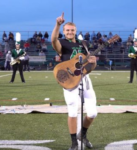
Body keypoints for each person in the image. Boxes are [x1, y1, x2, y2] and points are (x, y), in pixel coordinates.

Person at [51, 13, 97, 150]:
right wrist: (58, 25)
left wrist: (93, 63)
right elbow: (54, 40)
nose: (70, 32)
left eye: (72, 30)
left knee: (93, 113)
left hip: (84, 78)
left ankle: (82, 134)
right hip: (70, 80)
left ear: (75, 31)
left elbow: (89, 68)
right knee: (72, 112)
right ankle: (74, 143)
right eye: (67, 30)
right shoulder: (62, 43)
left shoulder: (83, 44)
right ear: (64, 32)